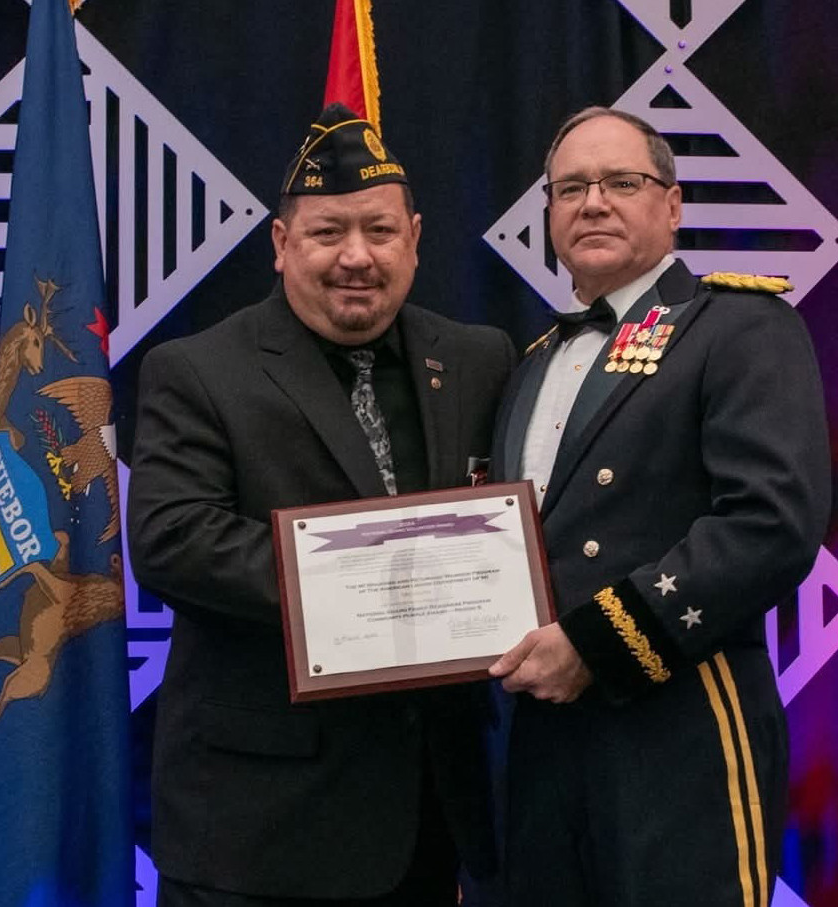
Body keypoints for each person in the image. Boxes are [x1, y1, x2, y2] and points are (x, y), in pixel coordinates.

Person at [128, 103, 515, 907]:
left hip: (433, 822)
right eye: (327, 232)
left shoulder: (478, 359)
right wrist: (381, 582)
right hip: (258, 833)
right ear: (281, 244)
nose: (356, 256)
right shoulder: (198, 369)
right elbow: (172, 540)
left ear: (415, 238)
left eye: (379, 230)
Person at [487, 106, 831, 906]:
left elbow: (771, 522)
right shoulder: (532, 361)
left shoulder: (738, 326)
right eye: (571, 187)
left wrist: (596, 644)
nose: (593, 203)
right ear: (549, 214)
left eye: (621, 182)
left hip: (680, 719)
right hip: (540, 738)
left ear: (672, 205)